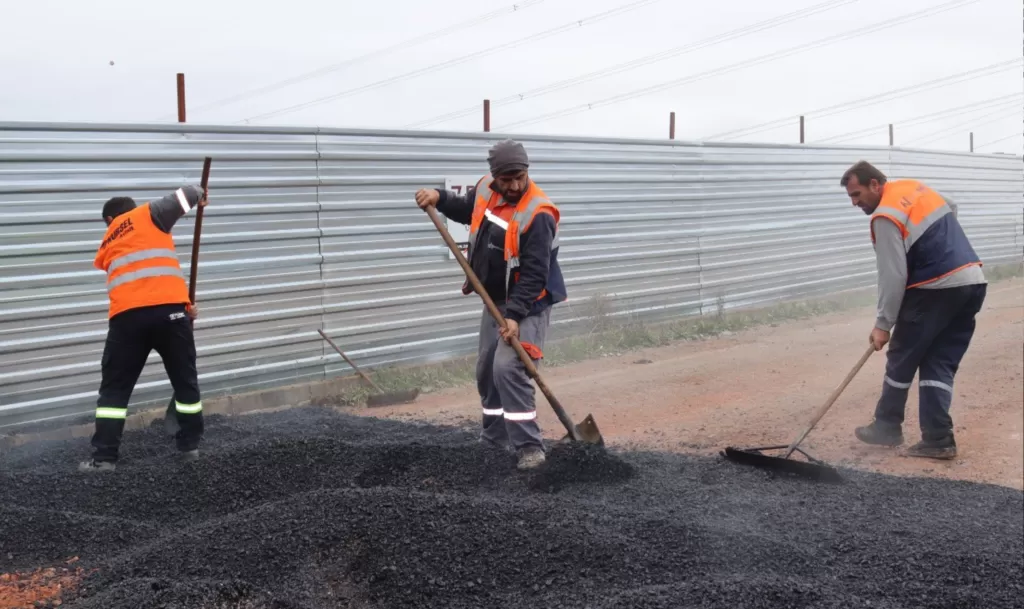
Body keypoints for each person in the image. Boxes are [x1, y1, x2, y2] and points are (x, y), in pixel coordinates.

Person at [414, 140, 567, 470]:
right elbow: (467, 208)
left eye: (520, 178)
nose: (513, 186)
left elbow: (536, 273)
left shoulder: (538, 213)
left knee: (508, 367)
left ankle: (529, 447)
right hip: (493, 297)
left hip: (529, 302)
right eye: (506, 179)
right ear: (494, 176)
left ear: (527, 173)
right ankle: (495, 439)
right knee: (486, 369)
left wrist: (515, 316)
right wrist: (440, 199)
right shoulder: (486, 188)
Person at [840, 160, 986, 460]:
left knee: (902, 354)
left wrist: (883, 324)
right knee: (938, 361)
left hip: (935, 286)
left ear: (874, 185)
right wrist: (942, 246)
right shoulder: (911, 188)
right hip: (971, 281)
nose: (855, 203)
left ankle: (886, 426)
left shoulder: (884, 216)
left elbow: (893, 275)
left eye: (857, 195)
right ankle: (938, 439)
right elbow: (951, 205)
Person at [79, 184, 209, 472]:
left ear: (110, 220)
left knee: (114, 391)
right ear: (131, 209)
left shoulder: (109, 239)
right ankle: (190, 448)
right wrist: (200, 194)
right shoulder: (147, 214)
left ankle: (104, 459)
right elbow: (186, 194)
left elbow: (136, 279)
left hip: (127, 321)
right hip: (171, 316)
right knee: (185, 384)